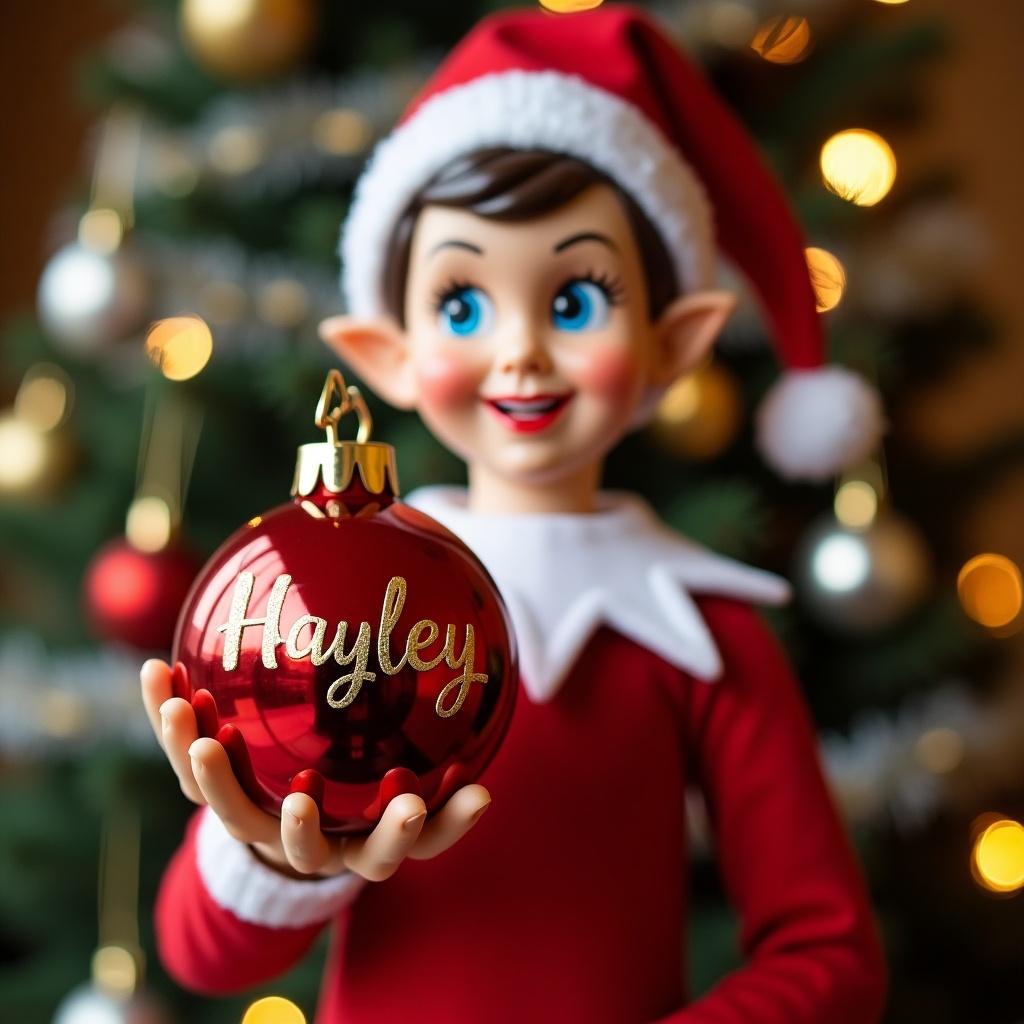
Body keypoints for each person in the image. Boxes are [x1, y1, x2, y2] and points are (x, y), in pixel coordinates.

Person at [146, 5, 887, 1021]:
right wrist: (271, 852)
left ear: (676, 342)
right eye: (462, 304)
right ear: (386, 351)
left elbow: (827, 950)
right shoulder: (321, 622)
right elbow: (201, 953)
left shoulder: (703, 636)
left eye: (576, 299)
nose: (520, 352)